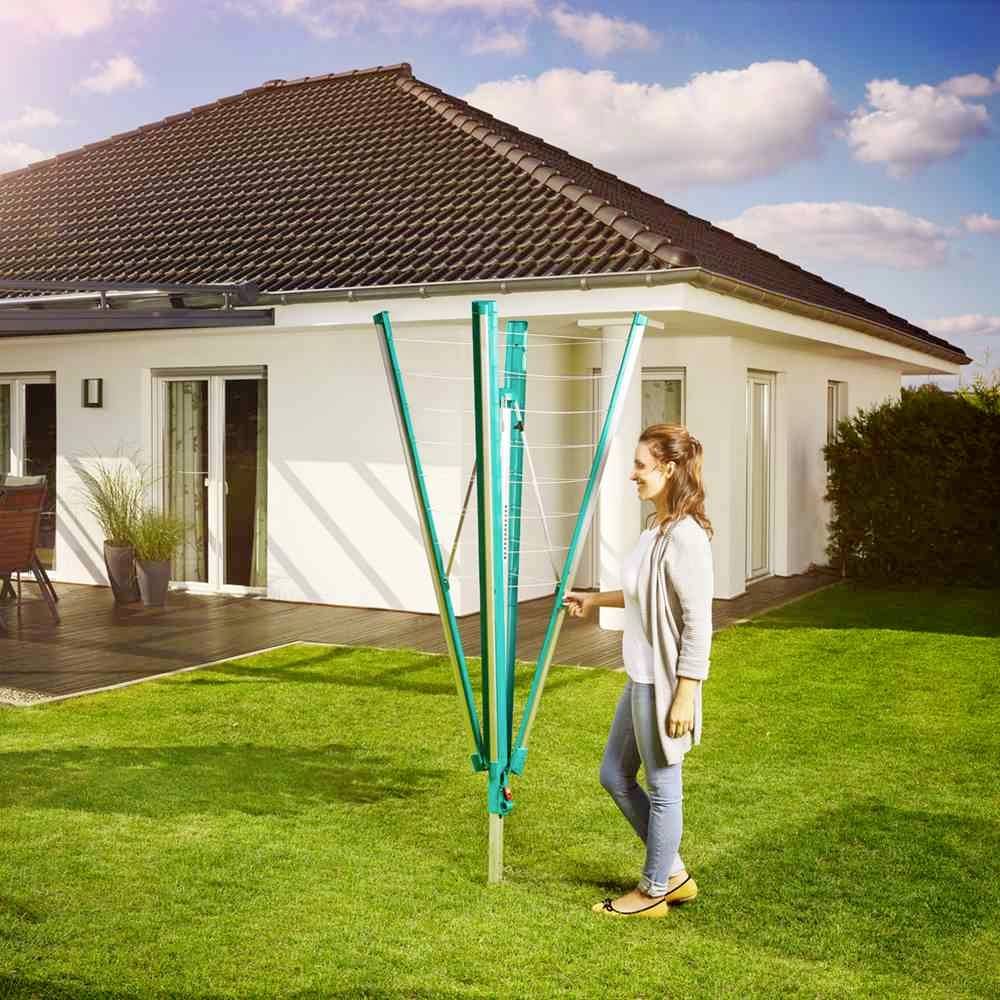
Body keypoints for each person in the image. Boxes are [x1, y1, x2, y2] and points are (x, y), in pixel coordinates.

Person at [563, 423, 714, 918]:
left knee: (664, 787)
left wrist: (687, 694)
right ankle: (672, 874)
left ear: (669, 470)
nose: (633, 475)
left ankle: (653, 892)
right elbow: (640, 594)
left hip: (664, 684)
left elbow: (699, 624)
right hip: (639, 677)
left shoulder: (687, 538)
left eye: (640, 466)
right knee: (614, 775)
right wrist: (593, 599)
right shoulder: (655, 528)